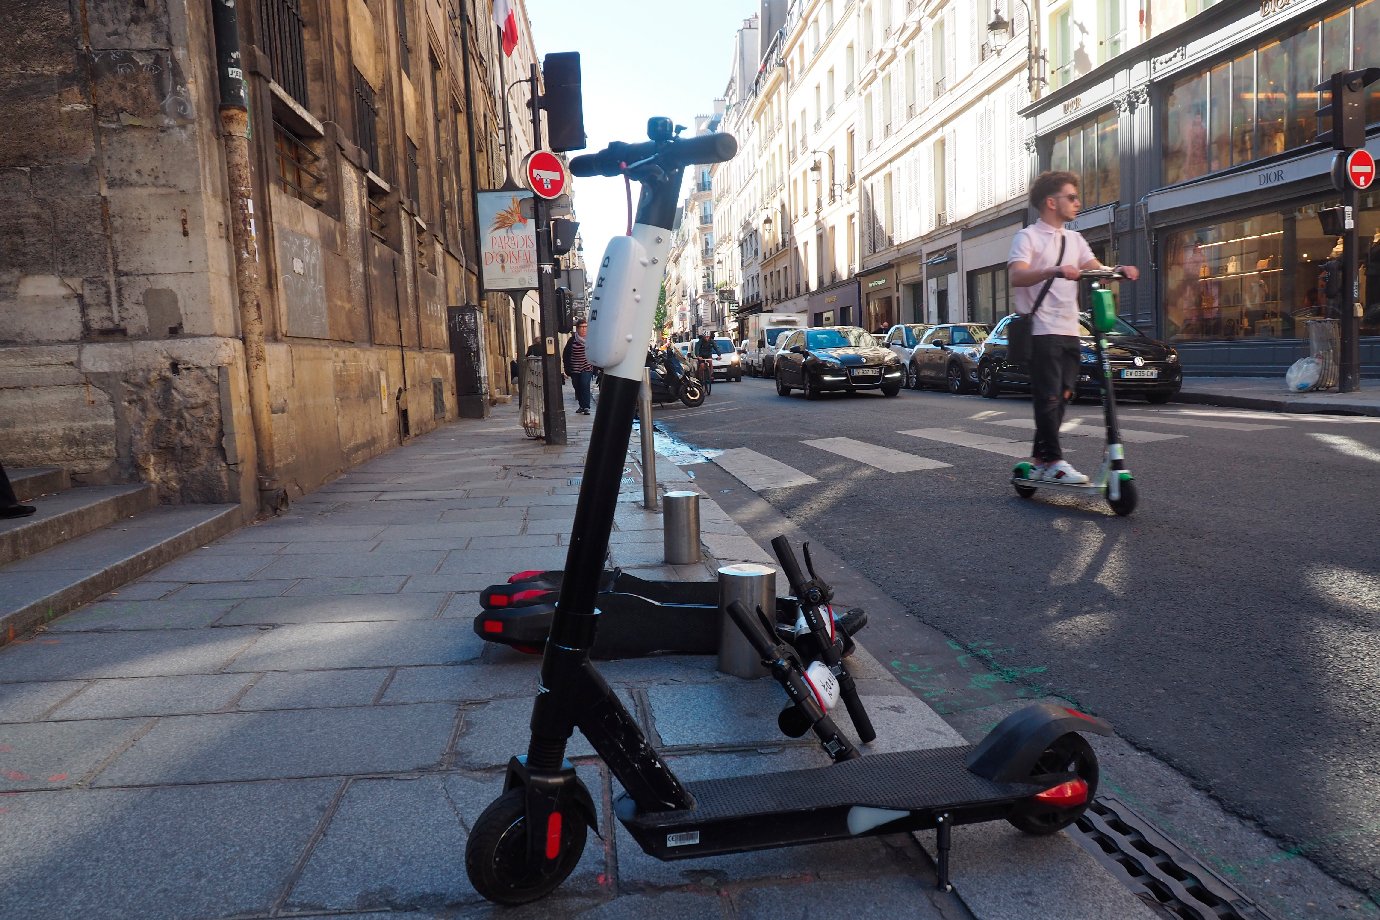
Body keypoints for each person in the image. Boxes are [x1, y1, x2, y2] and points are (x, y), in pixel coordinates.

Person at [1008, 171, 1139, 484]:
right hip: (1041, 330)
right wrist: (1054, 270)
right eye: (1071, 197)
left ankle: (1040, 459)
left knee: (1064, 393)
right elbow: (1017, 276)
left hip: (1070, 330)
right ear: (1051, 202)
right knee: (1049, 397)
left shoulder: (1074, 239)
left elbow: (1095, 268)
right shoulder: (1027, 238)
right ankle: (1053, 461)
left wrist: (1117, 270)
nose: (1078, 203)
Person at [562, 320, 596, 415]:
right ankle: (581, 405)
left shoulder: (591, 339)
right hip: (575, 368)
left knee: (584, 384)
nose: (584, 329)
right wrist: (566, 367)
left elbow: (595, 353)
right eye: (582, 327)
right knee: (577, 386)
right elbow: (566, 354)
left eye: (586, 327)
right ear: (577, 329)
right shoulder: (572, 340)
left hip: (587, 367)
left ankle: (586, 407)